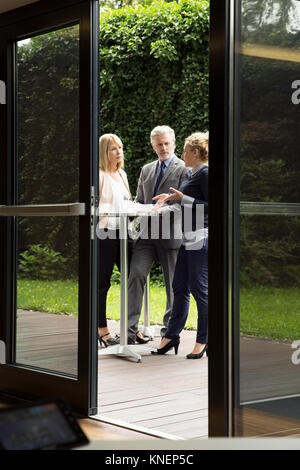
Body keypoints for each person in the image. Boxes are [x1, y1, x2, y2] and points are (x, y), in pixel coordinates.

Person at [127, 125, 188, 345]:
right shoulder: (146, 169)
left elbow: (183, 204)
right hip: (146, 235)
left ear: (173, 143)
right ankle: (129, 332)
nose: (163, 147)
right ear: (153, 145)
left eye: (166, 143)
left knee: (173, 285)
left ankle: (169, 334)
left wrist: (163, 210)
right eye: (159, 144)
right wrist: (131, 209)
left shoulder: (184, 169)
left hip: (171, 234)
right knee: (135, 276)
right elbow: (140, 200)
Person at [151, 131, 209, 359]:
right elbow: (185, 200)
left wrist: (181, 198)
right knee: (179, 287)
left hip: (200, 236)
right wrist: (171, 200)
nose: (182, 154)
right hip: (187, 237)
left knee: (198, 288)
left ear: (195, 152)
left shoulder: (205, 172)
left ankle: (203, 339)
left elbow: (212, 205)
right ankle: (172, 335)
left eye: (185, 151)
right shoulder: (191, 172)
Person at [97, 133, 133, 347]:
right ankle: (102, 330)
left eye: (120, 147)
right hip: (106, 233)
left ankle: (131, 329)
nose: (118, 152)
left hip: (124, 233)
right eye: (113, 148)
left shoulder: (122, 174)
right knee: (102, 283)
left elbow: (127, 202)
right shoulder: (100, 175)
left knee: (133, 278)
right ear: (104, 152)